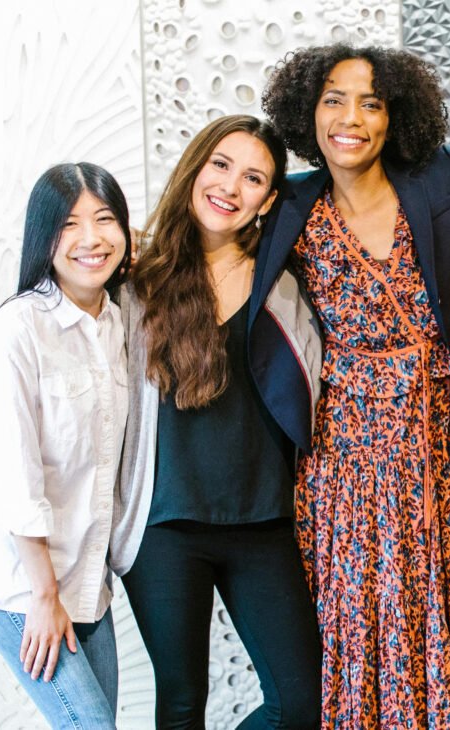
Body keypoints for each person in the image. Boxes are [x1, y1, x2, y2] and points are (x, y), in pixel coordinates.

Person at [258, 44, 450, 729]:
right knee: (360, 625)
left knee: (448, 614)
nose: (352, 118)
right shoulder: (289, 206)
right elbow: (210, 247)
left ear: (393, 115)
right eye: (334, 101)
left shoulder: (439, 181)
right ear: (308, 114)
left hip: (437, 444)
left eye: (371, 103)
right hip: (344, 459)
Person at [112, 114, 322, 728]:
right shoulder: (136, 281)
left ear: (268, 199)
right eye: (221, 165)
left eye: (253, 178)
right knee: (181, 704)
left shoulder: (285, 282)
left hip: (263, 521)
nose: (231, 186)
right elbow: (56, 326)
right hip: (166, 526)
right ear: (196, 167)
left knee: (301, 704)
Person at [0, 163, 132, 728]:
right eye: (69, 224)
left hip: (89, 579)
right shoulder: (15, 332)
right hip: (24, 583)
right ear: (44, 236)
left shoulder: (118, 323)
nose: (91, 239)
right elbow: (16, 477)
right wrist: (43, 595)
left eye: (106, 219)